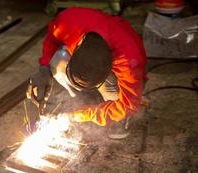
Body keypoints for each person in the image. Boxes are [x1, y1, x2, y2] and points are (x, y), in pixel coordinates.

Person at [27, 7, 147, 138]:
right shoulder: (68, 22)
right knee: (58, 60)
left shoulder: (129, 61)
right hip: (88, 45)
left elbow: (128, 104)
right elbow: (52, 39)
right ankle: (88, 97)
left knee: (117, 98)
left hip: (121, 72)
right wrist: (44, 69)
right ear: (78, 46)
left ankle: (115, 114)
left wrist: (80, 115)